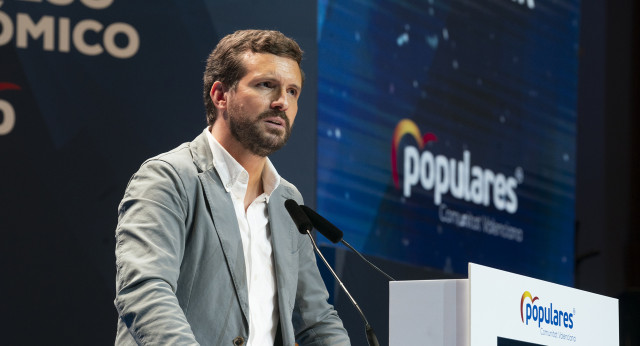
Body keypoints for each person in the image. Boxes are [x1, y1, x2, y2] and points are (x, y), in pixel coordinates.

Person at [114, 30, 350, 346]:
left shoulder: (288, 200)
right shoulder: (168, 178)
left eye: (293, 91)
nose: (282, 102)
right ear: (220, 95)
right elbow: (145, 291)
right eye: (267, 85)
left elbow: (316, 322)